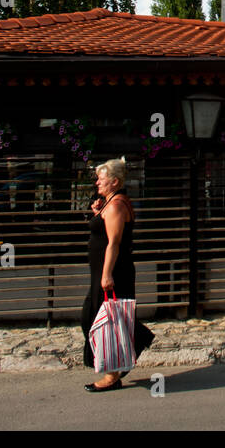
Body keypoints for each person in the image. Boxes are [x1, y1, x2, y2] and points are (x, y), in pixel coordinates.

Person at [81, 156, 154, 391]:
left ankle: (112, 375)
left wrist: (107, 274)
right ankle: (134, 344)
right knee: (104, 319)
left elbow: (113, 243)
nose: (97, 183)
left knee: (103, 321)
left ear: (114, 181)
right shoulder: (110, 203)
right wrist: (97, 211)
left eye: (101, 179)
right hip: (106, 271)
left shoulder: (115, 206)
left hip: (113, 272)